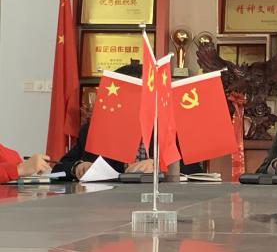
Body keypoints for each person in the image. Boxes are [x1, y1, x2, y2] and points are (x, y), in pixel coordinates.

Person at [53, 63, 201, 180]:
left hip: (158, 202)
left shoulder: (170, 129)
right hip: (108, 203)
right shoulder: (94, 129)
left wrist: (159, 166)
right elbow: (58, 169)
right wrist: (77, 167)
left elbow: (194, 171)